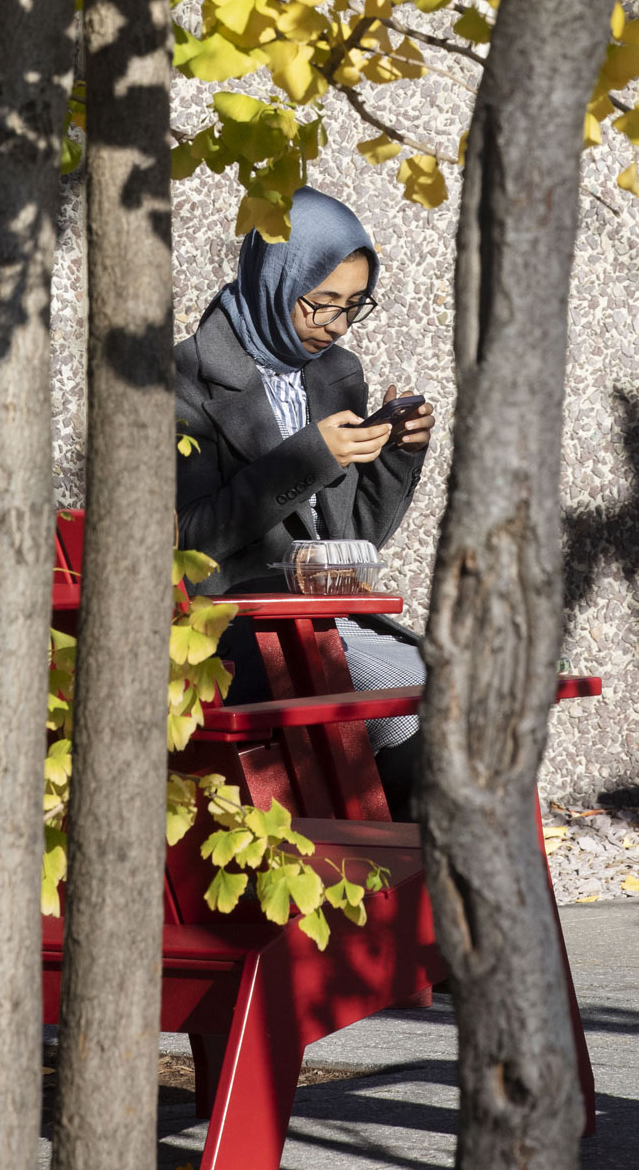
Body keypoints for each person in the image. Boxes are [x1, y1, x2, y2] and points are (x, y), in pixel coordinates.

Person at [175, 186, 435, 817]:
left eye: (353, 306)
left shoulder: (333, 373)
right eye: (320, 305)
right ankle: (405, 890)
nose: (337, 326)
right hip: (245, 633)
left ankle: (429, 890)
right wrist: (307, 457)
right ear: (273, 279)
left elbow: (355, 540)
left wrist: (397, 453)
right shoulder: (183, 380)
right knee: (441, 720)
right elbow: (188, 541)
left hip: (332, 623)